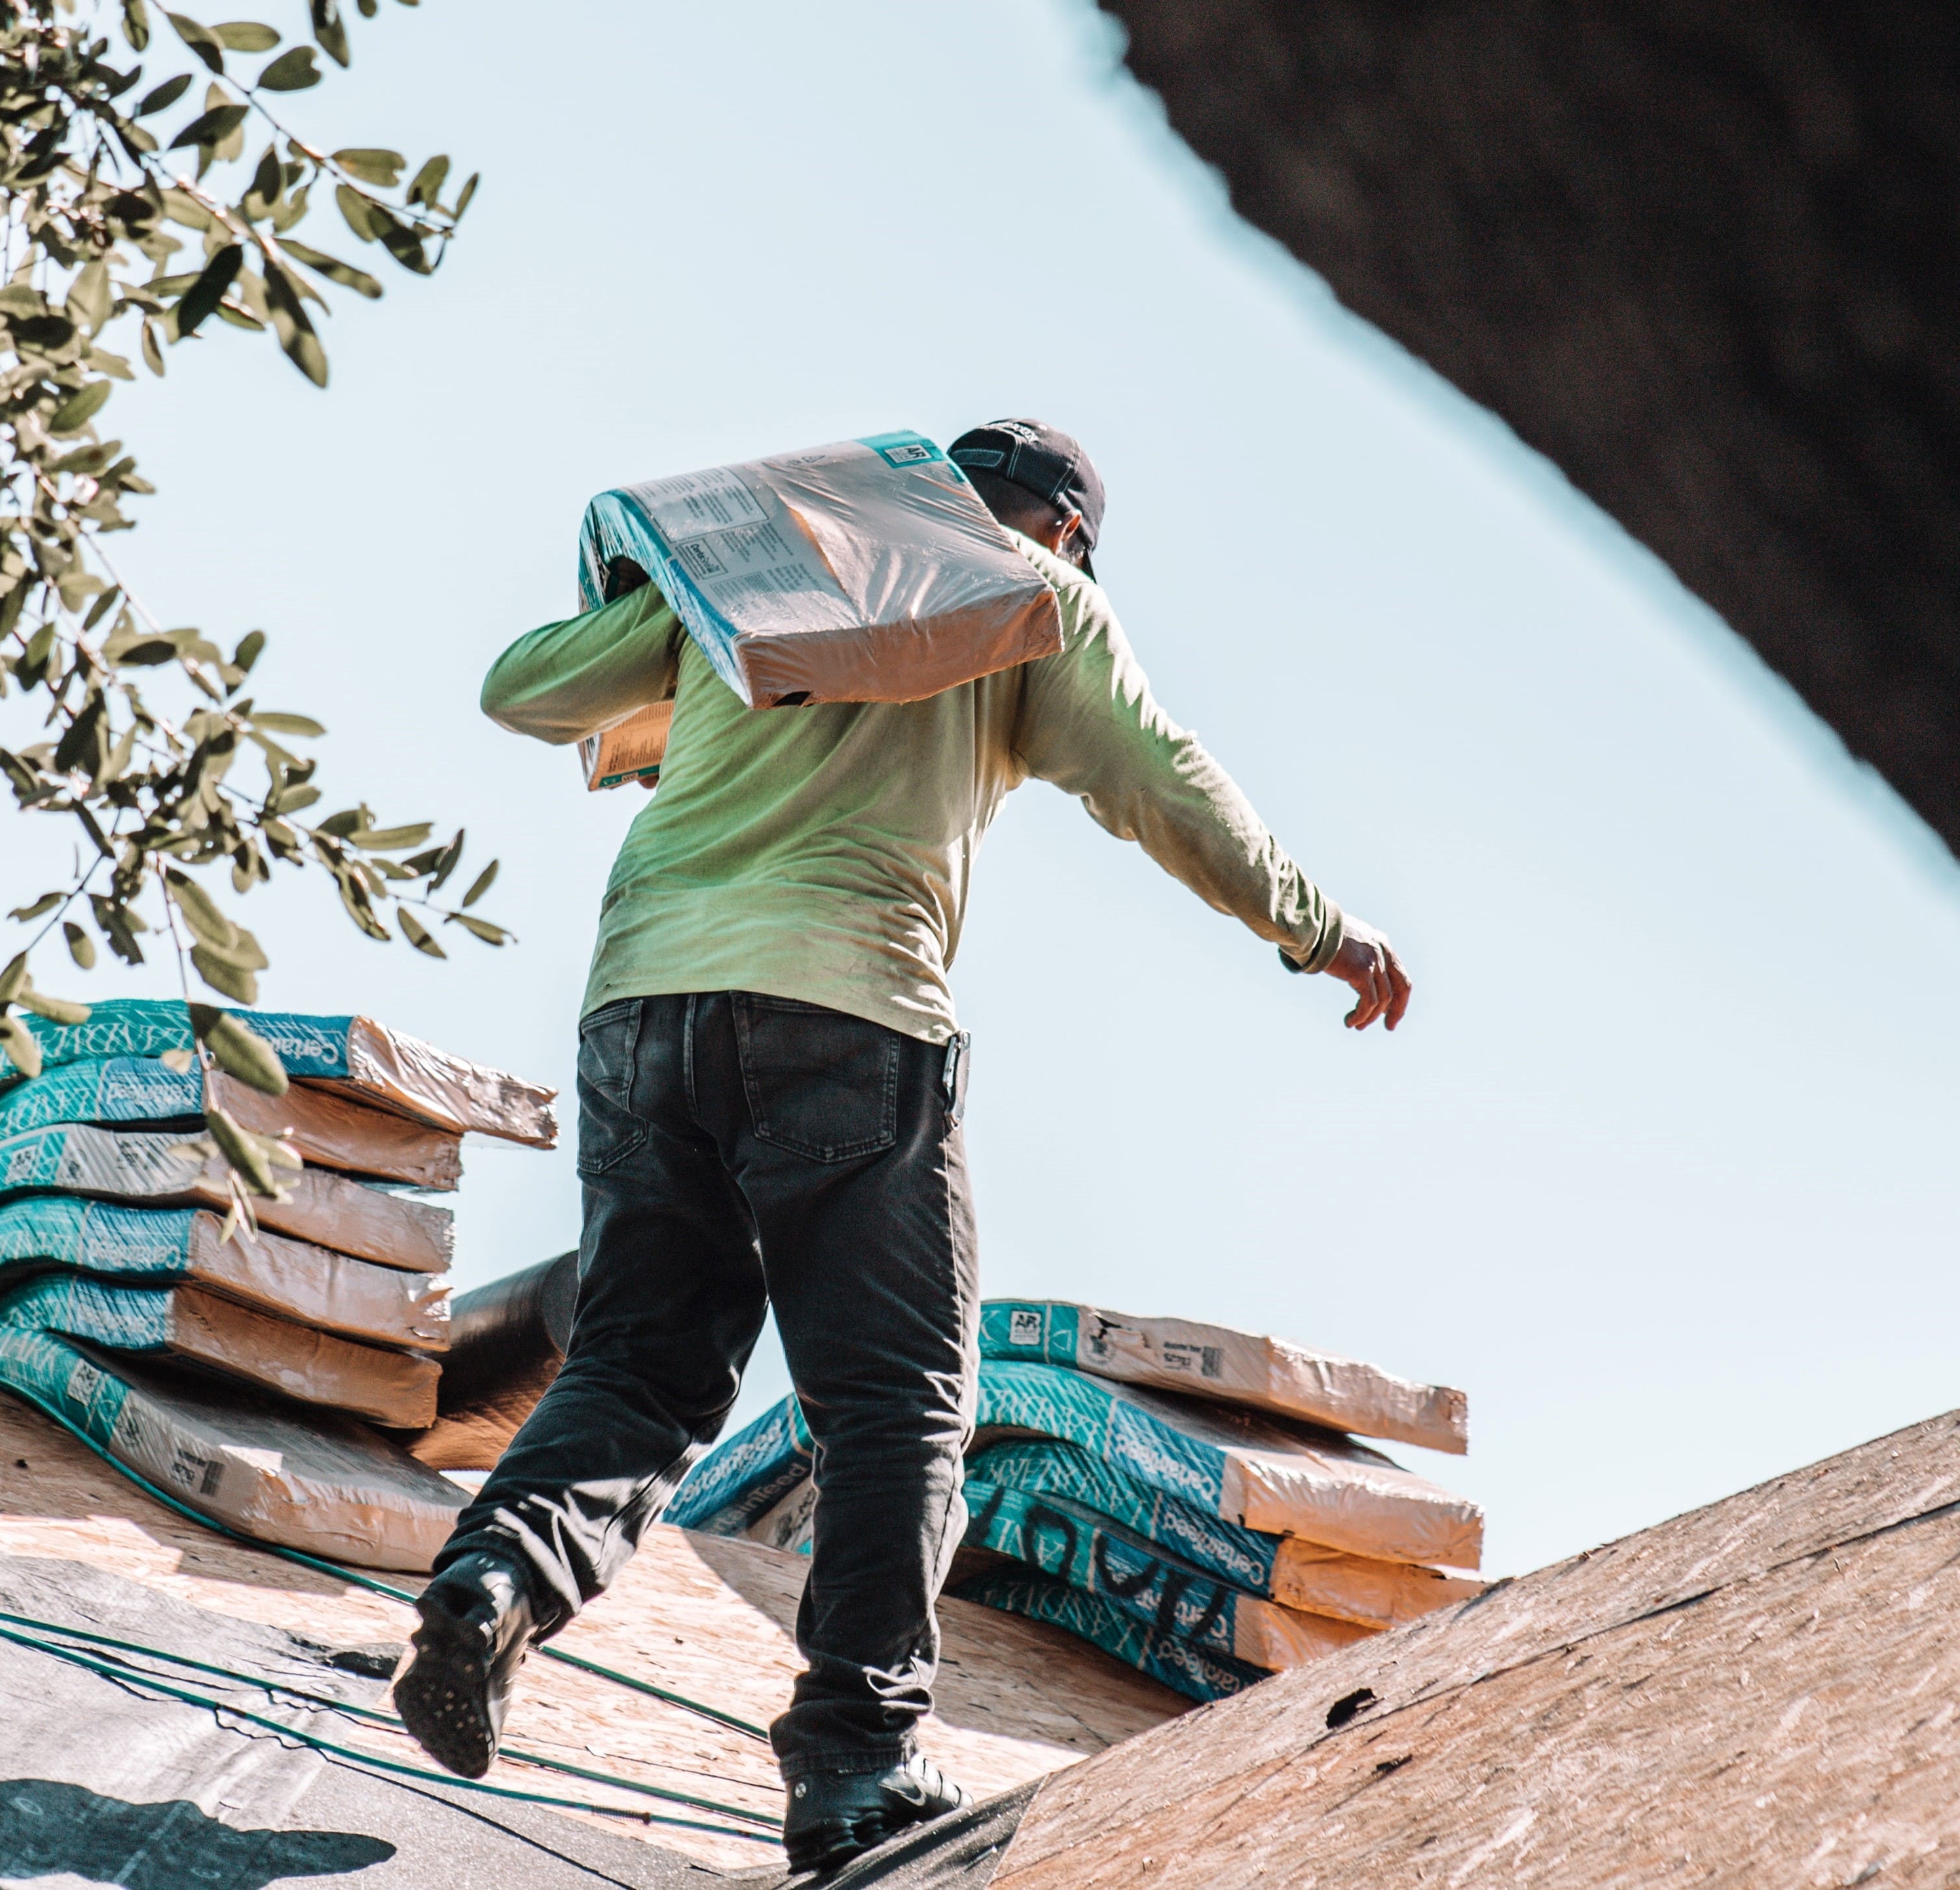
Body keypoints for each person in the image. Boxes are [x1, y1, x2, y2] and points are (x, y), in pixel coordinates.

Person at [390, 420, 1413, 1872]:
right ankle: (857, 1758)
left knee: (637, 1363)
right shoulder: (1036, 601)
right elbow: (1161, 779)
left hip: (643, 1008)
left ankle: (495, 1577)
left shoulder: (770, 571)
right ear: (1064, 532)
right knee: (900, 1399)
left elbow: (521, 690)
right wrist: (1319, 929)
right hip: (849, 1014)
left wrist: (669, 601)